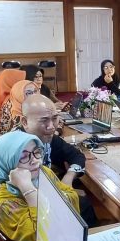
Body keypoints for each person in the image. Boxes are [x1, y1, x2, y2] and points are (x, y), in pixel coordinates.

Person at [0, 129, 80, 241]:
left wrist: (48, 204)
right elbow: (41, 234)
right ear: (5, 162)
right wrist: (28, 188)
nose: (35, 161)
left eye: (37, 152)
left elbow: (72, 196)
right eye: (23, 157)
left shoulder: (42, 173)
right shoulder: (2, 202)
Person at [20, 94, 98, 227]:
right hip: (27, 208)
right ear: (25, 122)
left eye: (55, 118)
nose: (51, 126)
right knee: (83, 204)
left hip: (44, 190)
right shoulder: (17, 148)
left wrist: (69, 176)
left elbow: (77, 155)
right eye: (44, 120)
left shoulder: (45, 137)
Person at [0, 68, 25, 133]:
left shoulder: (7, 97)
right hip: (11, 136)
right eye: (20, 80)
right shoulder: (14, 101)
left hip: (5, 133)